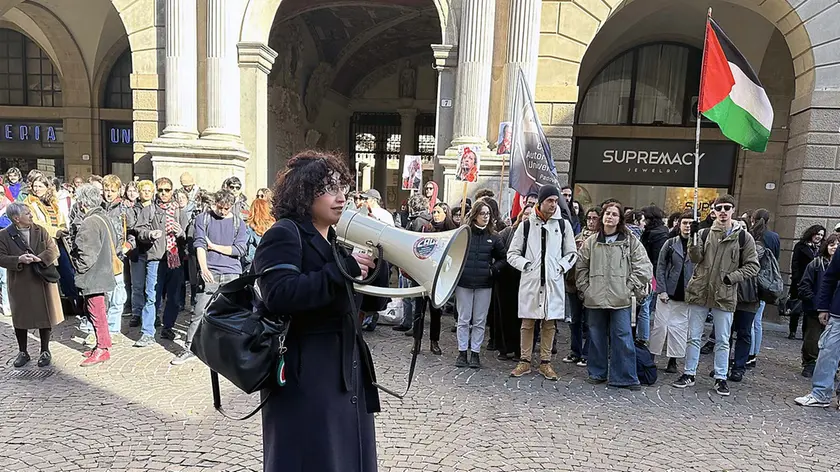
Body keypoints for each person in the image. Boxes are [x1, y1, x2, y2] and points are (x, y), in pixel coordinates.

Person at [254, 150, 380, 471]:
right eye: (330, 189)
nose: (341, 198)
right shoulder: (283, 233)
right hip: (305, 374)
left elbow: (366, 305)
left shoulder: (337, 242)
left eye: (343, 189)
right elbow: (279, 294)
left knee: (346, 458)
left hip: (344, 373)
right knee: (311, 458)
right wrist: (343, 272)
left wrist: (381, 268)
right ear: (304, 193)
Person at [672, 195, 759, 396]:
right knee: (693, 336)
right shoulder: (703, 233)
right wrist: (693, 238)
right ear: (713, 211)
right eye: (718, 208)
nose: (722, 211)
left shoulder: (743, 237)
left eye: (726, 208)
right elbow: (695, 258)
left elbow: (753, 265)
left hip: (724, 293)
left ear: (733, 210)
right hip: (701, 290)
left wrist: (732, 277)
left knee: (723, 339)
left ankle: (721, 377)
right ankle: (689, 373)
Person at [576, 202, 652, 390]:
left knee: (623, 337)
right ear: (602, 217)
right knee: (596, 336)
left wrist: (629, 288)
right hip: (595, 298)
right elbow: (581, 268)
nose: (610, 217)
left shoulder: (630, 241)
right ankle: (597, 372)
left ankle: (624, 376)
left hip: (621, 299)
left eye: (614, 214)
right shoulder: (591, 242)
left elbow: (644, 267)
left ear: (620, 219)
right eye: (607, 213)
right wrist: (586, 289)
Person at [508, 185, 577, 380]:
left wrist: (561, 267)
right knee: (528, 323)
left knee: (549, 323)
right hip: (531, 281)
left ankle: (545, 362)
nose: (554, 204)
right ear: (541, 201)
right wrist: (527, 264)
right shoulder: (527, 225)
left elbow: (572, 253)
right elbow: (512, 254)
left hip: (553, 282)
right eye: (550, 201)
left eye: (556, 201)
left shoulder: (563, 225)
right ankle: (525, 361)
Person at [172, 190, 248, 365]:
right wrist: (204, 267)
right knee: (199, 311)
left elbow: (239, 250)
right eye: (219, 207)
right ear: (215, 203)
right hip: (210, 273)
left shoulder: (238, 223)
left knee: (232, 314)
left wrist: (214, 246)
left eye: (226, 209)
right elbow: (199, 244)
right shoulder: (203, 219)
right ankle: (189, 348)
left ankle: (230, 349)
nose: (222, 211)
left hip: (231, 273)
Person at [0, 203, 62, 368]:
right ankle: (23, 351)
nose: (31, 215)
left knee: (44, 315)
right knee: (20, 318)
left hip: (39, 278)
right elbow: (1, 257)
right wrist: (18, 260)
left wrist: (40, 258)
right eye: (27, 213)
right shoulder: (4, 235)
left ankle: (45, 350)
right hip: (19, 282)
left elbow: (53, 249)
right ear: (16, 218)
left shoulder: (40, 230)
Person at [133, 177, 189, 347]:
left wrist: (181, 234)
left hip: (174, 258)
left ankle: (168, 327)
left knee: (173, 298)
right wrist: (149, 234)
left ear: (172, 191)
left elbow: (188, 236)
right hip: (155, 259)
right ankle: (147, 332)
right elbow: (139, 230)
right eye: (160, 190)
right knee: (152, 296)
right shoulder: (149, 209)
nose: (163, 193)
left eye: (167, 190)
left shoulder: (180, 211)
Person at [453, 200, 506, 369]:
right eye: (482, 213)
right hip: (464, 282)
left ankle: (475, 352)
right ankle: (462, 351)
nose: (485, 217)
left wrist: (492, 270)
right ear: (475, 214)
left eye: (488, 214)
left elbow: (503, 258)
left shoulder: (494, 236)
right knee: (463, 319)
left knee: (479, 320)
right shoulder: (464, 233)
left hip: (484, 283)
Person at [71, 184, 120, 366]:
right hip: (103, 271)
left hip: (94, 274)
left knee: (96, 311)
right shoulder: (103, 217)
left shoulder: (89, 222)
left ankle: (102, 348)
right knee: (98, 310)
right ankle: (102, 345)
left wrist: (79, 269)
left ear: (83, 204)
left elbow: (87, 254)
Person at [794, 231, 840, 408]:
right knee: (827, 354)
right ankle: (820, 393)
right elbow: (829, 279)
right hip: (837, 312)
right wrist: (823, 308)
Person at [23, 174, 78, 313]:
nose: (37, 189)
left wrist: (63, 229)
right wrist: (55, 231)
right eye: (35, 186)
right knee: (46, 275)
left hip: (59, 242)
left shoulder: (53, 202)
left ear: (47, 187)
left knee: (67, 272)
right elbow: (35, 223)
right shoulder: (28, 203)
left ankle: (73, 305)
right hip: (42, 243)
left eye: (40, 186)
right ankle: (47, 308)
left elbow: (60, 219)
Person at [650, 211, 694, 373]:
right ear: (679, 225)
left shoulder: (697, 245)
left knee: (679, 329)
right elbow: (660, 266)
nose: (688, 226)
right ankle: (652, 356)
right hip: (668, 291)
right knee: (660, 326)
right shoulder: (670, 243)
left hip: (686, 294)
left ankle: (673, 360)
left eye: (691, 223)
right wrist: (661, 289)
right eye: (685, 223)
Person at [496, 205, 533, 361]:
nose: (528, 216)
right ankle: (504, 348)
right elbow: (500, 250)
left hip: (526, 278)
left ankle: (520, 350)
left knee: (523, 315)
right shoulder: (508, 232)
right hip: (507, 277)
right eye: (526, 213)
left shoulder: (537, 234)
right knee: (505, 314)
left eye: (531, 214)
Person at [393, 194, 432, 333]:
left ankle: (414, 326)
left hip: (413, 263)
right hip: (416, 263)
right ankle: (409, 322)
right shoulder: (423, 219)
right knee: (410, 295)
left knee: (412, 296)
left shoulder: (418, 221)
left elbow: (413, 242)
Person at [638, 205, 669, 344]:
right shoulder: (658, 232)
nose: (643, 222)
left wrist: (655, 279)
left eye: (645, 219)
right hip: (651, 273)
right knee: (645, 307)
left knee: (645, 306)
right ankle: (642, 337)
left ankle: (643, 338)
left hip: (651, 274)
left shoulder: (655, 235)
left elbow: (657, 259)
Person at [789, 224, 825, 340]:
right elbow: (795, 264)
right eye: (817, 234)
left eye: (821, 235)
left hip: (814, 283)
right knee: (796, 308)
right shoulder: (800, 246)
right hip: (800, 281)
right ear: (812, 233)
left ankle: (806, 333)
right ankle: (792, 331)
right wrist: (797, 280)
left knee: (808, 310)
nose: (819, 237)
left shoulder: (822, 249)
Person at [245, 198, 275, 269]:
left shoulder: (249, 227)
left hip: (252, 264)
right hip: (269, 262)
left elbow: (245, 245)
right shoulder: (274, 225)